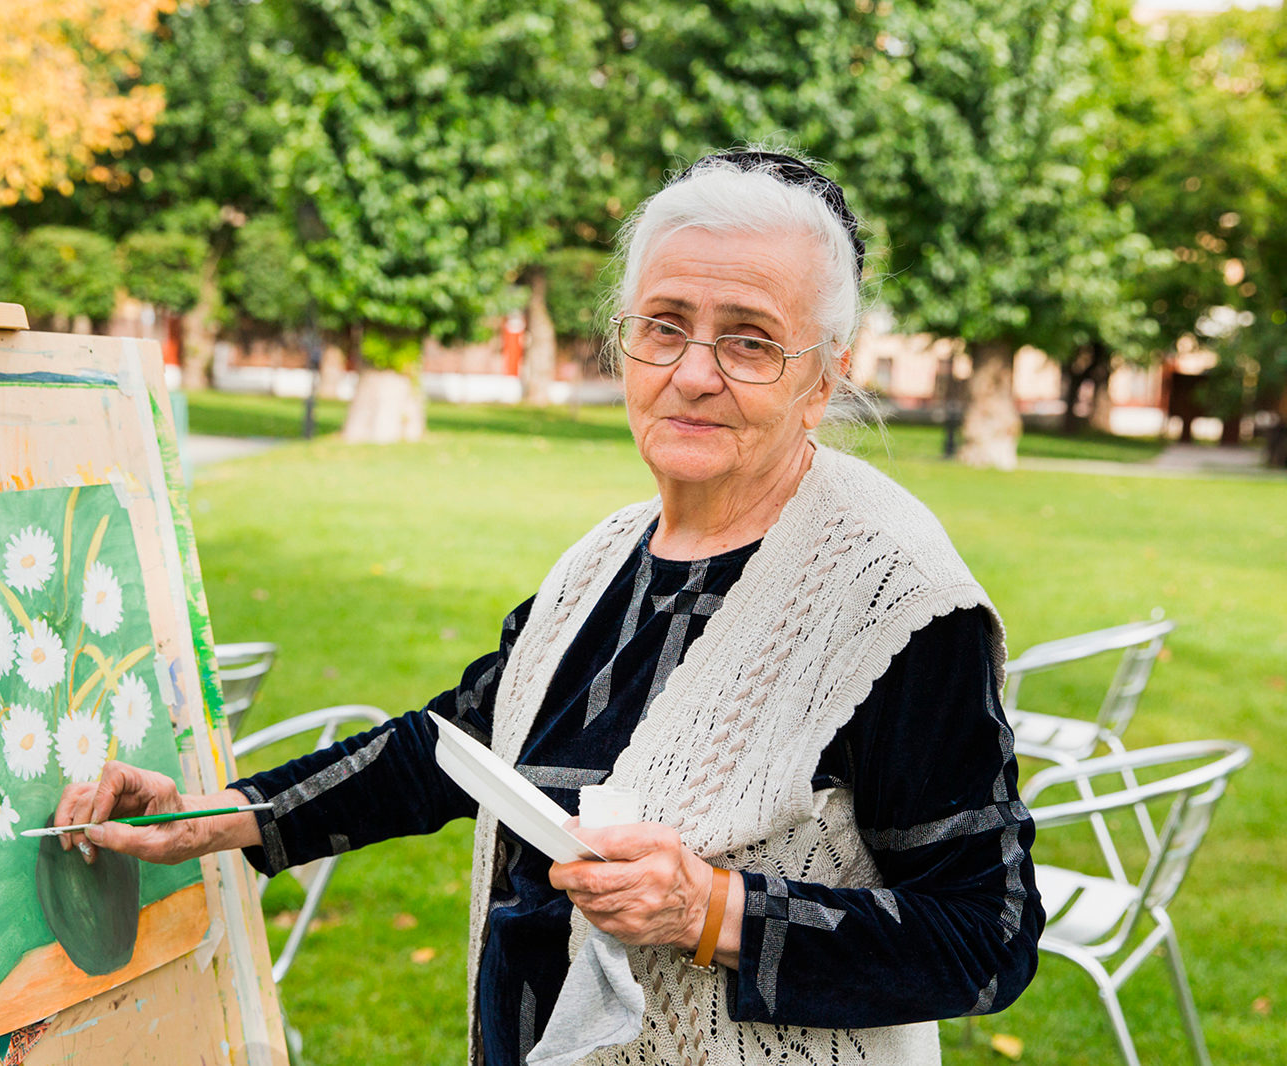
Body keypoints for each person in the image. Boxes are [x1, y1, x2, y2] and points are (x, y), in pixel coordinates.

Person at [54, 147, 1043, 1065]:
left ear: (822, 378)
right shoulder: (604, 558)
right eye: (663, 326)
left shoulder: (896, 605)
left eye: (749, 341)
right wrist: (219, 814)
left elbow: (985, 935)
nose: (691, 374)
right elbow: (453, 748)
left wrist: (711, 909)